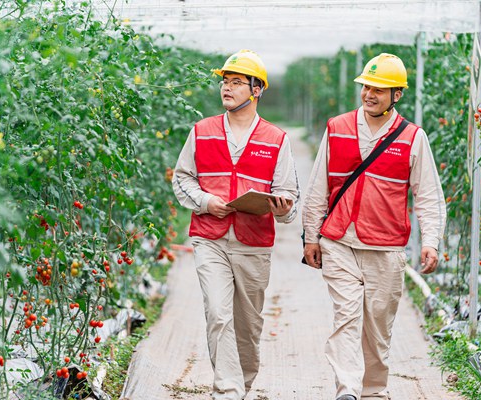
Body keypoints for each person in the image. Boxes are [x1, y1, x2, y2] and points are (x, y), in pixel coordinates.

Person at [301, 53, 446, 400]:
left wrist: (432, 241)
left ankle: (374, 393)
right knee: (346, 318)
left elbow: (428, 195)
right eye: (367, 86)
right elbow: (318, 186)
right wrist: (311, 236)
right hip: (339, 242)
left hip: (386, 248)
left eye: (379, 89)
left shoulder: (413, 138)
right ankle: (348, 390)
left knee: (377, 332)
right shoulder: (337, 128)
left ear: (396, 95)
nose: (369, 93)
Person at [173, 49, 299, 400]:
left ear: (257, 90)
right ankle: (226, 391)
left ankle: (241, 385)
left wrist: (281, 207)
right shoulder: (201, 130)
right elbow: (183, 178)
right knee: (217, 312)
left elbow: (289, 197)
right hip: (209, 238)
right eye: (224, 82)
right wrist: (205, 201)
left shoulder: (276, 139)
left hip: (253, 242)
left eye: (236, 82)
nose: (226, 88)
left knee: (248, 325)